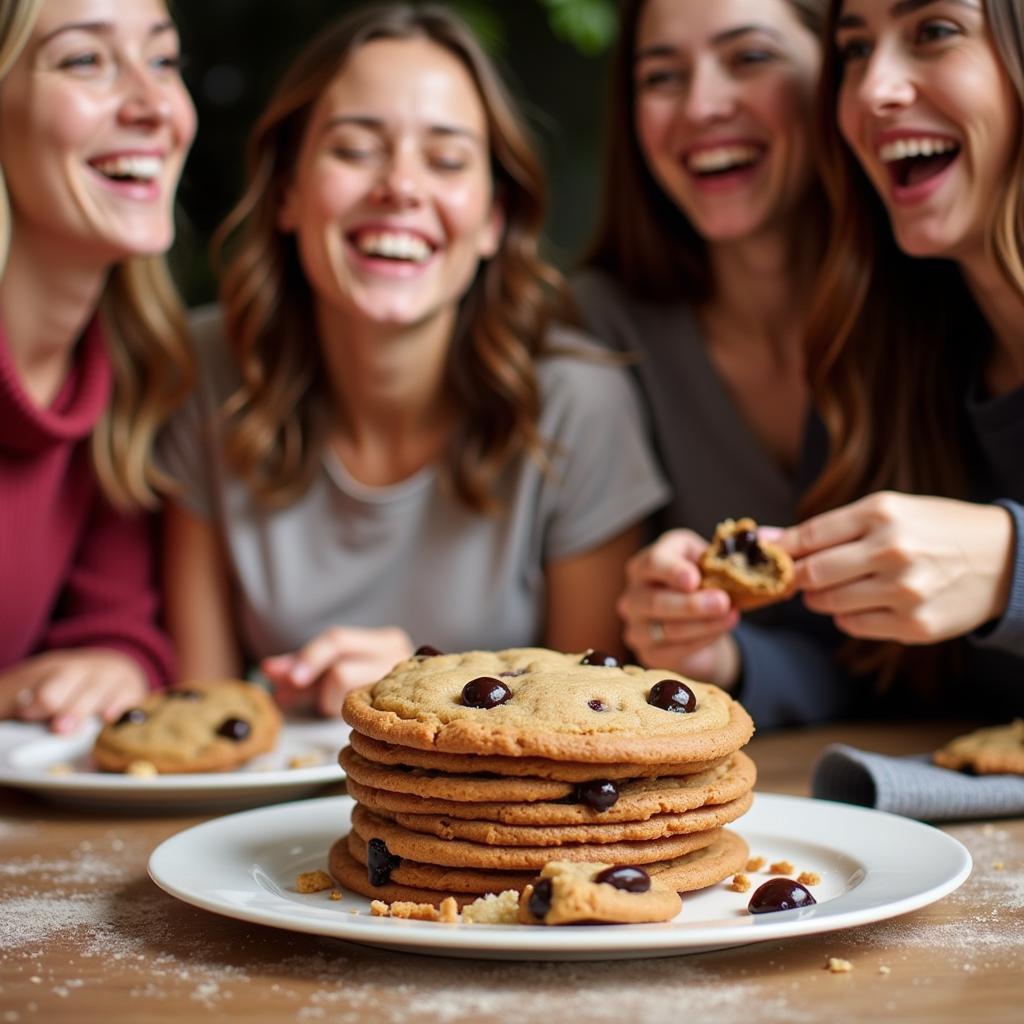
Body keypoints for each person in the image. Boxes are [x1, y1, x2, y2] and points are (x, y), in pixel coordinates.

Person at [160, 3, 667, 717]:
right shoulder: (206, 371)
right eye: (355, 148)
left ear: (494, 217)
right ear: (286, 192)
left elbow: (587, 722)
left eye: (447, 159)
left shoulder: (579, 402)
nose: (400, 186)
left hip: (497, 823)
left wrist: (423, 687)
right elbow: (205, 722)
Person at [575, 0, 849, 725]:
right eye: (662, 76)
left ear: (839, 69)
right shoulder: (598, 330)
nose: (701, 106)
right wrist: (711, 652)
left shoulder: (940, 301)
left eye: (750, 58)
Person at [779, 0, 1024, 718]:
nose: (871, 91)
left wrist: (1009, 566)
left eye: (935, 32)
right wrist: (720, 655)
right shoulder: (876, 355)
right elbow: (854, 667)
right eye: (855, 50)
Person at [0, 0, 196, 733]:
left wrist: (113, 662)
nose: (154, 107)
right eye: (86, 60)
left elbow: (116, 625)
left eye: (164, 59)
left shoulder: (131, 372)